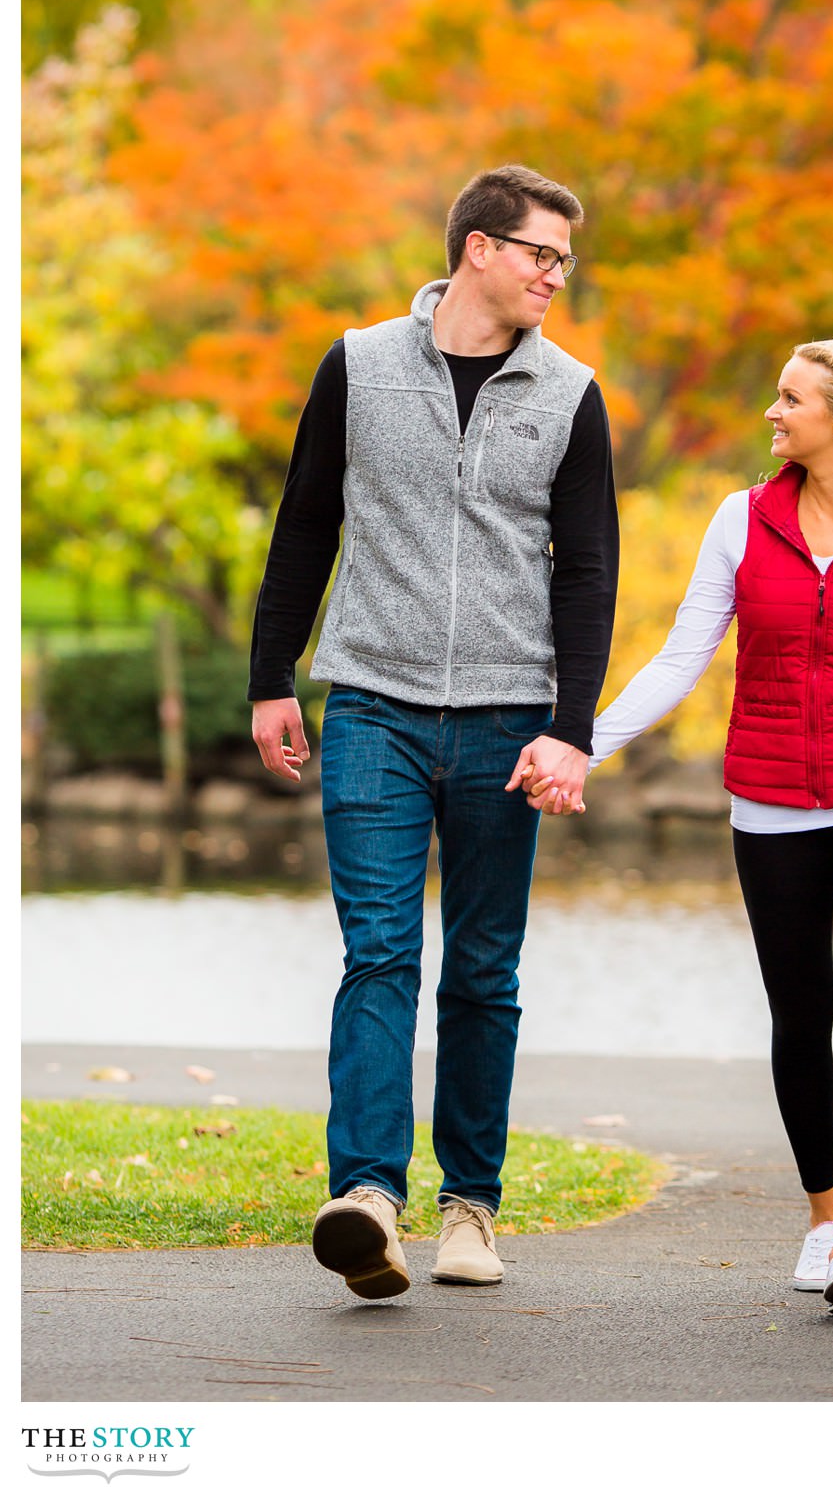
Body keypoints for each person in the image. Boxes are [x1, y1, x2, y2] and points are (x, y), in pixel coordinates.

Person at [526, 339, 833, 1317]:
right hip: (772, 796)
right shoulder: (742, 520)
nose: (772, 413)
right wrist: (581, 744)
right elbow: (680, 656)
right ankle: (821, 1212)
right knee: (798, 1011)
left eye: (791, 397)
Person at [249, 164, 618, 1298]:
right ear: (477, 248)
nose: (556, 274)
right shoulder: (358, 363)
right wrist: (273, 678)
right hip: (371, 705)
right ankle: (366, 1195)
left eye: (564, 258)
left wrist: (571, 729)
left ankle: (471, 1207)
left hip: (511, 719)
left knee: (485, 967)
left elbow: (590, 569)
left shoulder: (571, 393)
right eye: (540, 252)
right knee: (379, 952)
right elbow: (306, 522)